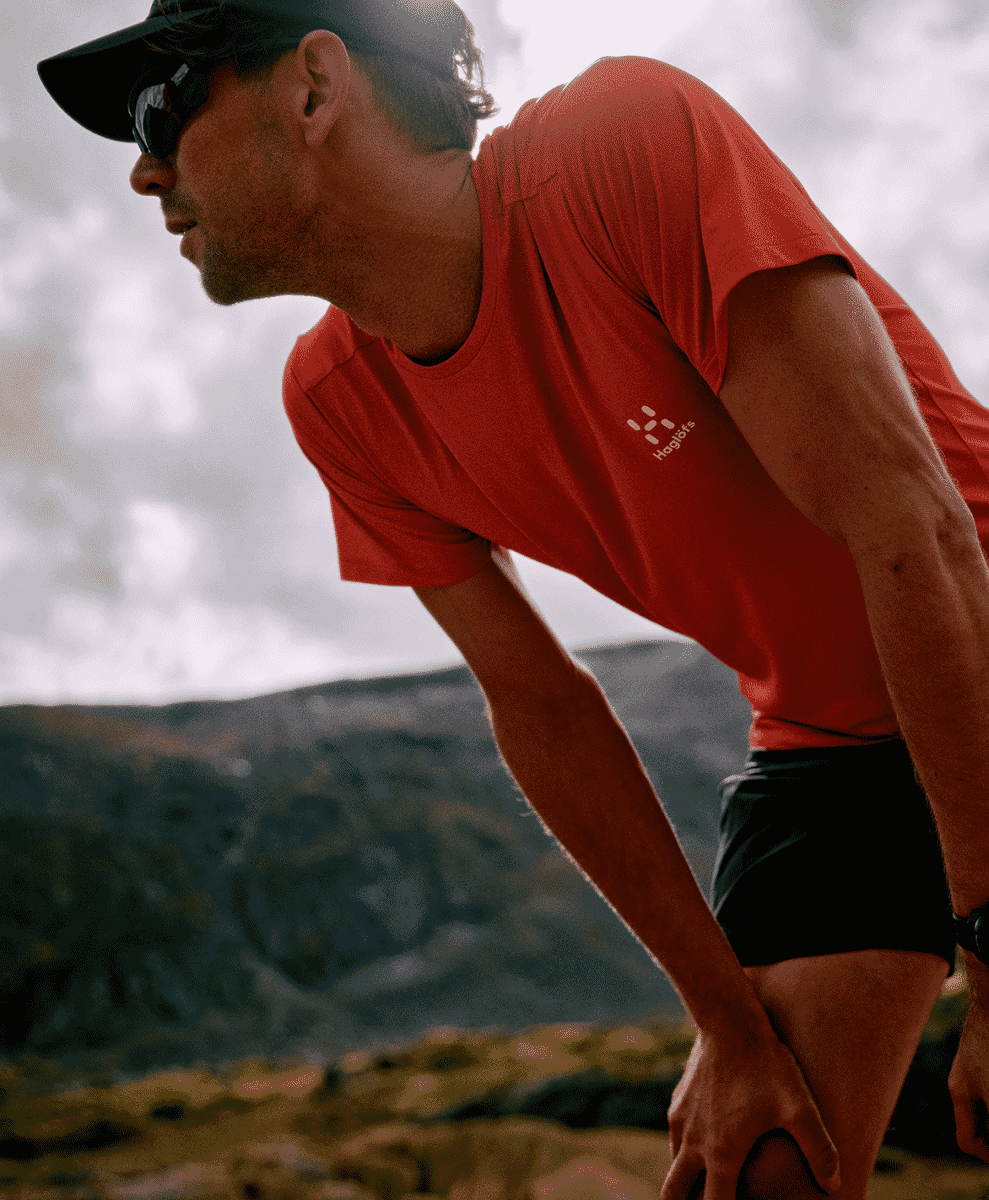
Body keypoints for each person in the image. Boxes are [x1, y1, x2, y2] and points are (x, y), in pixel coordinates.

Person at [37, 2, 989, 1197]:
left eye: (160, 110)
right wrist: (727, 1027)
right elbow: (539, 703)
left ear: (315, 89)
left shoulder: (622, 144)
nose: (140, 172)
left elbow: (912, 528)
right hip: (828, 741)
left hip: (975, 628)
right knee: (761, 1166)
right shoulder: (337, 405)